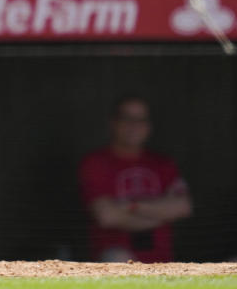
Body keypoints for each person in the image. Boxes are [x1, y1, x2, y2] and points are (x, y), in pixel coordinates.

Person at [78, 95, 193, 263]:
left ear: (148, 126)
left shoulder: (163, 163)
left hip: (162, 261)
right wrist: (161, 213)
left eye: (141, 120)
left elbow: (183, 207)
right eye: (127, 118)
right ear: (113, 122)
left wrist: (131, 205)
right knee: (117, 257)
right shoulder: (96, 163)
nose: (134, 126)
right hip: (114, 260)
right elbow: (107, 216)